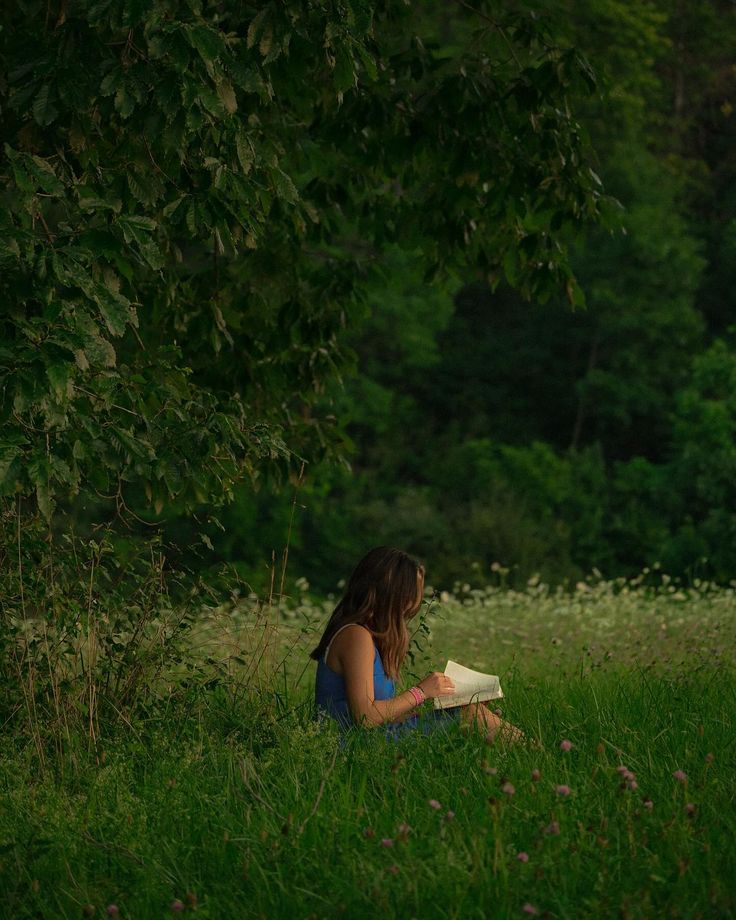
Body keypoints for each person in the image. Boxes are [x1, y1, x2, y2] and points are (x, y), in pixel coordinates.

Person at [311, 546, 524, 744]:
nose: (416, 600)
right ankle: (535, 752)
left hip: (365, 740)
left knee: (469, 710)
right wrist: (420, 692)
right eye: (413, 591)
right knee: (469, 715)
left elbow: (377, 715)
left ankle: (531, 750)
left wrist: (427, 707)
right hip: (349, 746)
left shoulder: (365, 636)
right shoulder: (355, 636)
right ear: (394, 592)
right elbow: (365, 718)